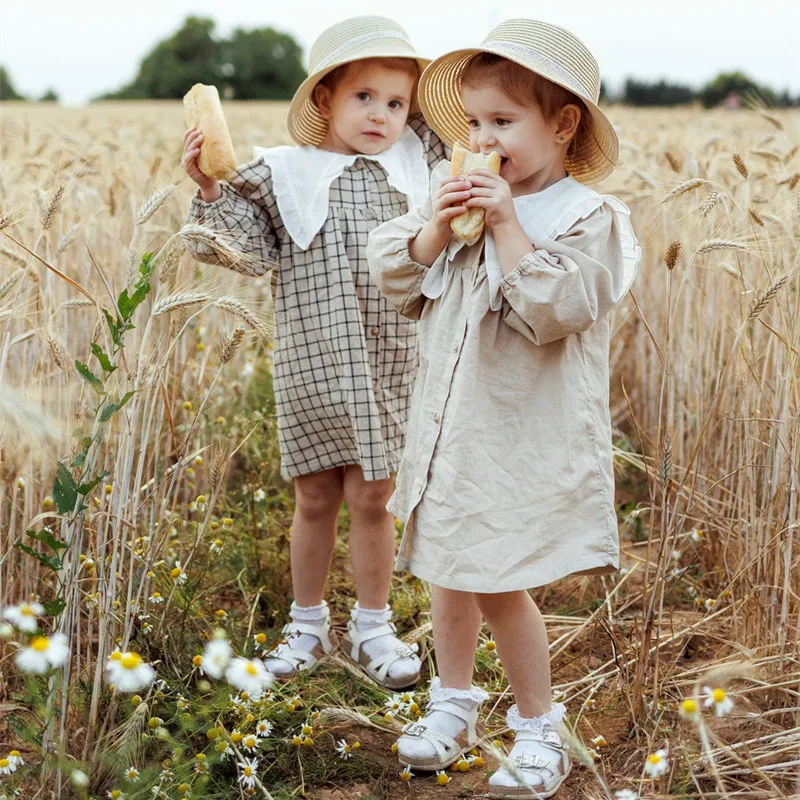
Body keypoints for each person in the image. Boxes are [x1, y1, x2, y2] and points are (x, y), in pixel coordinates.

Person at [367, 18, 640, 797]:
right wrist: (435, 229)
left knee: (495, 578)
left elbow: (561, 306)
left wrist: (507, 225)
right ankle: (453, 702)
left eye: (503, 123)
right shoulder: (456, 209)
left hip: (520, 433)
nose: (484, 139)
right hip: (450, 428)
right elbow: (400, 281)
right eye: (476, 123)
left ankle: (537, 725)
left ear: (562, 126)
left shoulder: (588, 218)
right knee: (444, 568)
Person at [181, 16, 448, 690]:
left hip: (394, 354)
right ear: (325, 99)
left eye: (397, 103)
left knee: (376, 494)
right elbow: (245, 248)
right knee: (314, 494)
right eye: (364, 97)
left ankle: (372, 626)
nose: (382, 115)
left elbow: (471, 165)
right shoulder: (283, 172)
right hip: (313, 356)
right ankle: (306, 625)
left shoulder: (418, 164)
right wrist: (211, 188)